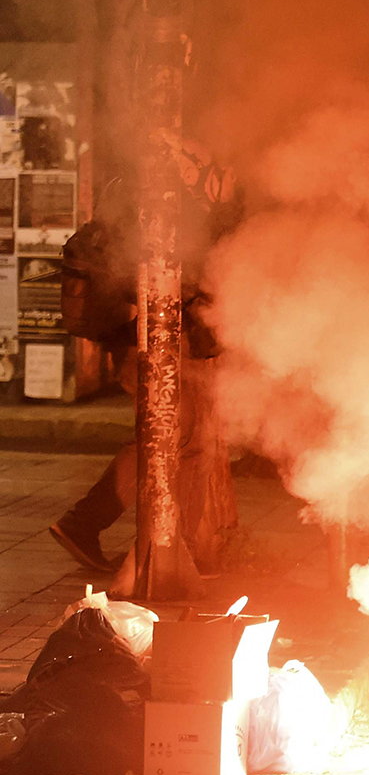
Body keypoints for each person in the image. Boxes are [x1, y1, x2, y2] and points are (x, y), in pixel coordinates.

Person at [48, 143, 242, 580]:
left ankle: (172, 543)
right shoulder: (160, 197)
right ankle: (93, 524)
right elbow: (157, 267)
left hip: (160, 335)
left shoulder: (149, 189)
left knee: (187, 440)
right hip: (151, 336)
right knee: (170, 435)